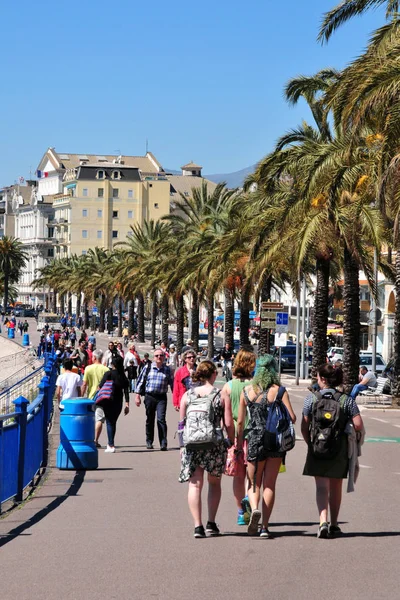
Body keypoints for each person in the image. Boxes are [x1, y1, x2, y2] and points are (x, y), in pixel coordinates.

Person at [301, 364, 364, 538]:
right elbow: (358, 425)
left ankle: (322, 522)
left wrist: (310, 443)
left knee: (321, 487)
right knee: (336, 486)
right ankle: (334, 524)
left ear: (322, 379)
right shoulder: (346, 400)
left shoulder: (311, 399)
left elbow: (304, 426)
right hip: (339, 449)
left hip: (317, 447)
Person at [237, 354, 296, 538]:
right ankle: (265, 527)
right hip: (275, 441)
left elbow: (240, 422)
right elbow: (292, 417)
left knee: (254, 482)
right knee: (270, 484)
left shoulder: (247, 390)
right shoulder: (279, 391)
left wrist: (238, 444)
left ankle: (254, 508)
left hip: (254, 439)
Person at [178, 360, 234, 538]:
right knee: (214, 483)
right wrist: (231, 441)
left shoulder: (188, 395)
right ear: (213, 375)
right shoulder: (221, 395)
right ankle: (211, 522)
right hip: (214, 445)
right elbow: (228, 423)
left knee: (195, 484)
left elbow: (181, 425)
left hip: (192, 445)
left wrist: (181, 446)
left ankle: (197, 526)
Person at [220, 348, 256, 525]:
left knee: (238, 476)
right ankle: (251, 505)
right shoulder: (256, 385)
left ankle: (241, 513)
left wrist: (230, 438)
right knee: (252, 476)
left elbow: (225, 417)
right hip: (254, 435)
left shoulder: (228, 386)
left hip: (236, 436)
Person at [135, 348, 173, 450]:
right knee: (150, 419)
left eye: (161, 355)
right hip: (149, 397)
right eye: (157, 356)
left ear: (164, 357)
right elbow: (140, 381)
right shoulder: (148, 368)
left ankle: (163, 443)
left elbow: (173, 384)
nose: (159, 357)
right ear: (154, 357)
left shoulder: (167, 370)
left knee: (161, 419)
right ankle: (149, 441)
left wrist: (177, 398)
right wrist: (137, 395)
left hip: (161, 397)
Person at [98, 355, 130, 453]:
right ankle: (111, 443)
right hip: (118, 402)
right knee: (113, 422)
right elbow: (126, 391)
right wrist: (127, 404)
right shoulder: (123, 376)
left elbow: (100, 387)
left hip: (108, 401)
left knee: (109, 422)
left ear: (112, 364)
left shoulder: (109, 374)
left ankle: (110, 445)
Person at [81, 349, 109, 448]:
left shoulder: (88, 368)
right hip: (102, 397)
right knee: (99, 419)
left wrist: (81, 396)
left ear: (95, 357)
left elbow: (84, 384)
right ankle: (95, 440)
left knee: (89, 419)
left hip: (90, 397)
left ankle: (88, 438)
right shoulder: (106, 370)